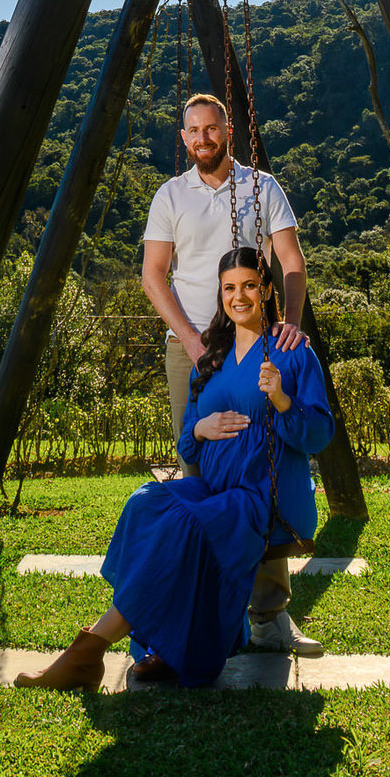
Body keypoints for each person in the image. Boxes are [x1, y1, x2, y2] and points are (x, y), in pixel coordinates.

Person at [16, 247, 334, 690]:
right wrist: (200, 428)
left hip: (261, 499)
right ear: (220, 293)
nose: (239, 296)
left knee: (184, 526)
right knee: (145, 505)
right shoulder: (213, 356)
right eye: (229, 288)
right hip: (214, 490)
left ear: (266, 290)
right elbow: (187, 442)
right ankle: (153, 647)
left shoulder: (291, 351)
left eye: (249, 285)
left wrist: (281, 400)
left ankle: (88, 652)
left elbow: (319, 435)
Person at [140, 91, 322, 654]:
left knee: (264, 467)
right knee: (198, 466)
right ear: (184, 138)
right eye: (192, 131)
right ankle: (202, 608)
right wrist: (193, 341)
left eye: (211, 129)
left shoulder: (262, 188)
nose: (202, 139)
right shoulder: (171, 195)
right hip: (192, 350)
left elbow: (291, 262)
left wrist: (290, 325)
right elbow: (153, 276)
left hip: (251, 345)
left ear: (227, 131)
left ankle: (268, 616)